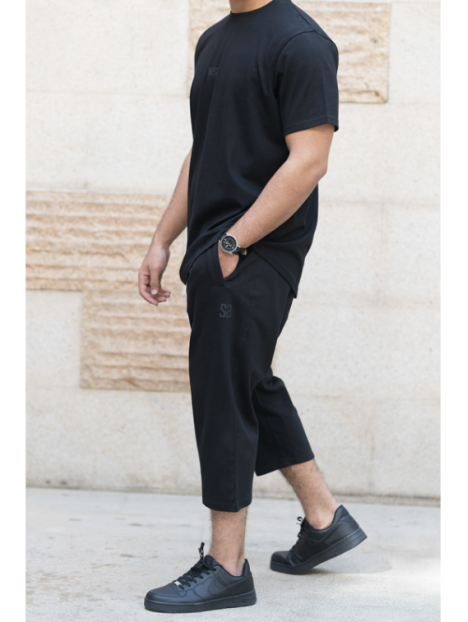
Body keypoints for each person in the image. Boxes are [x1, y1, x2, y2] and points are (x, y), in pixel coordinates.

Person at [139, 0, 367, 613]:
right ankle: (324, 519)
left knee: (224, 395)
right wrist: (163, 239)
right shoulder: (214, 40)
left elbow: (310, 159)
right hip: (216, 250)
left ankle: (227, 566)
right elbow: (204, 150)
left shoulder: (301, 42)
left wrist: (234, 242)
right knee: (248, 380)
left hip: (256, 250)